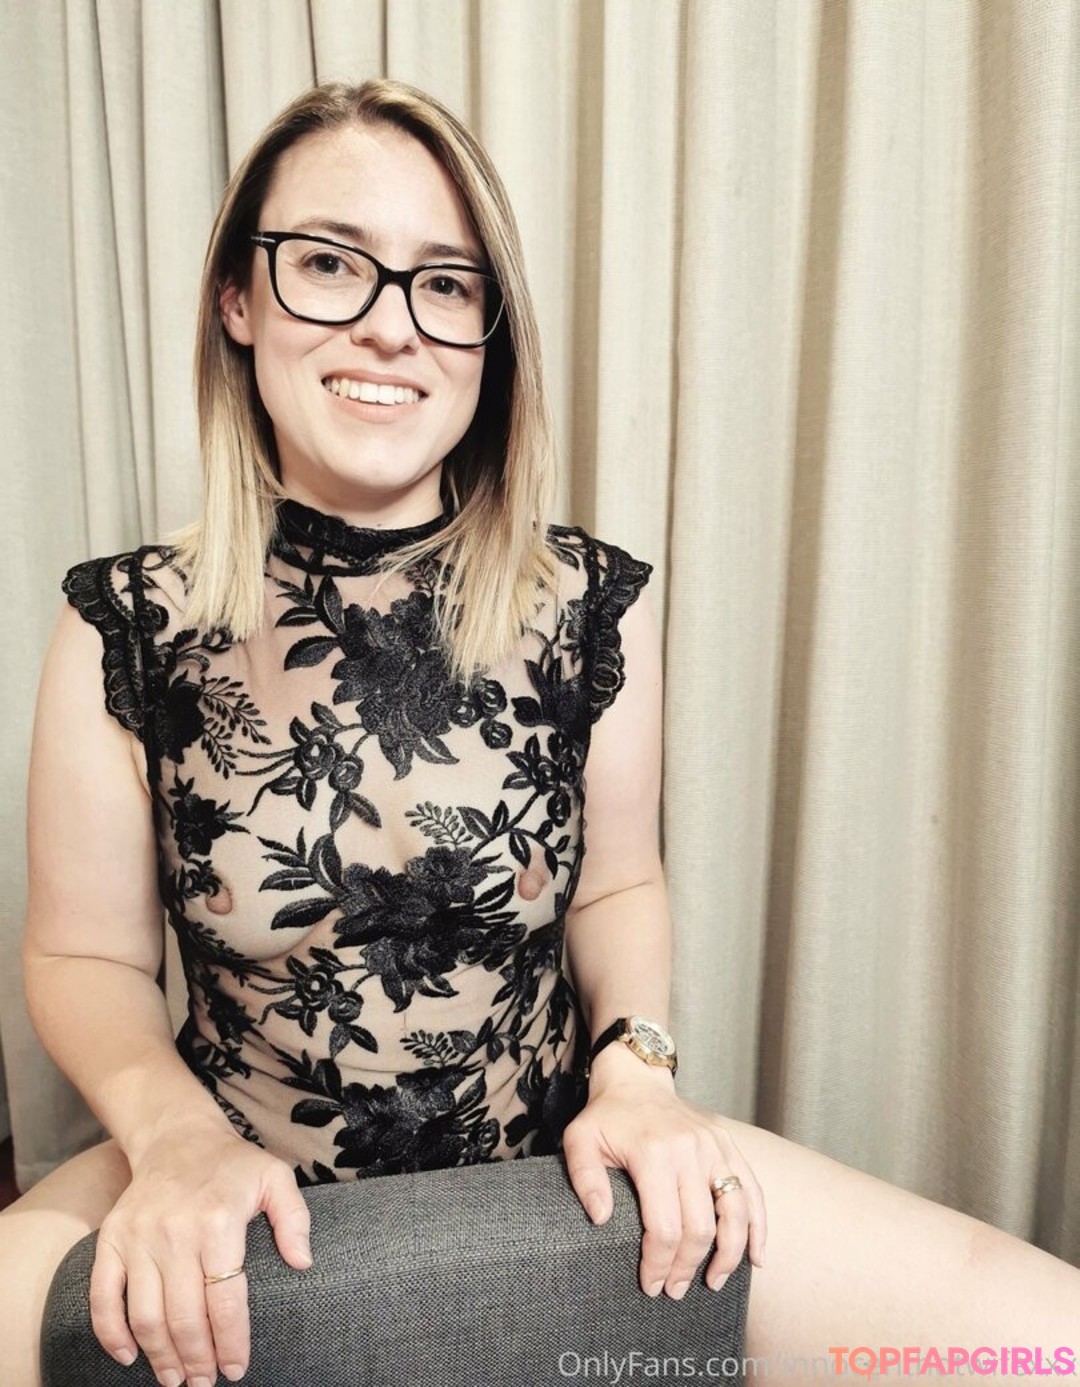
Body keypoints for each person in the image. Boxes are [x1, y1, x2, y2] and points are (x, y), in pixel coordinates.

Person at [3, 76, 1078, 1387]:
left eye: (447, 283)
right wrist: (171, 1141)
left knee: (1035, 1341)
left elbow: (616, 886)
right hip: (224, 1185)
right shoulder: (123, 624)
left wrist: (638, 1072)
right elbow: (81, 957)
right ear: (239, 297)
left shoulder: (583, 603)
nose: (391, 324)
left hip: (550, 1187)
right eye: (329, 263)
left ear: (491, 336)